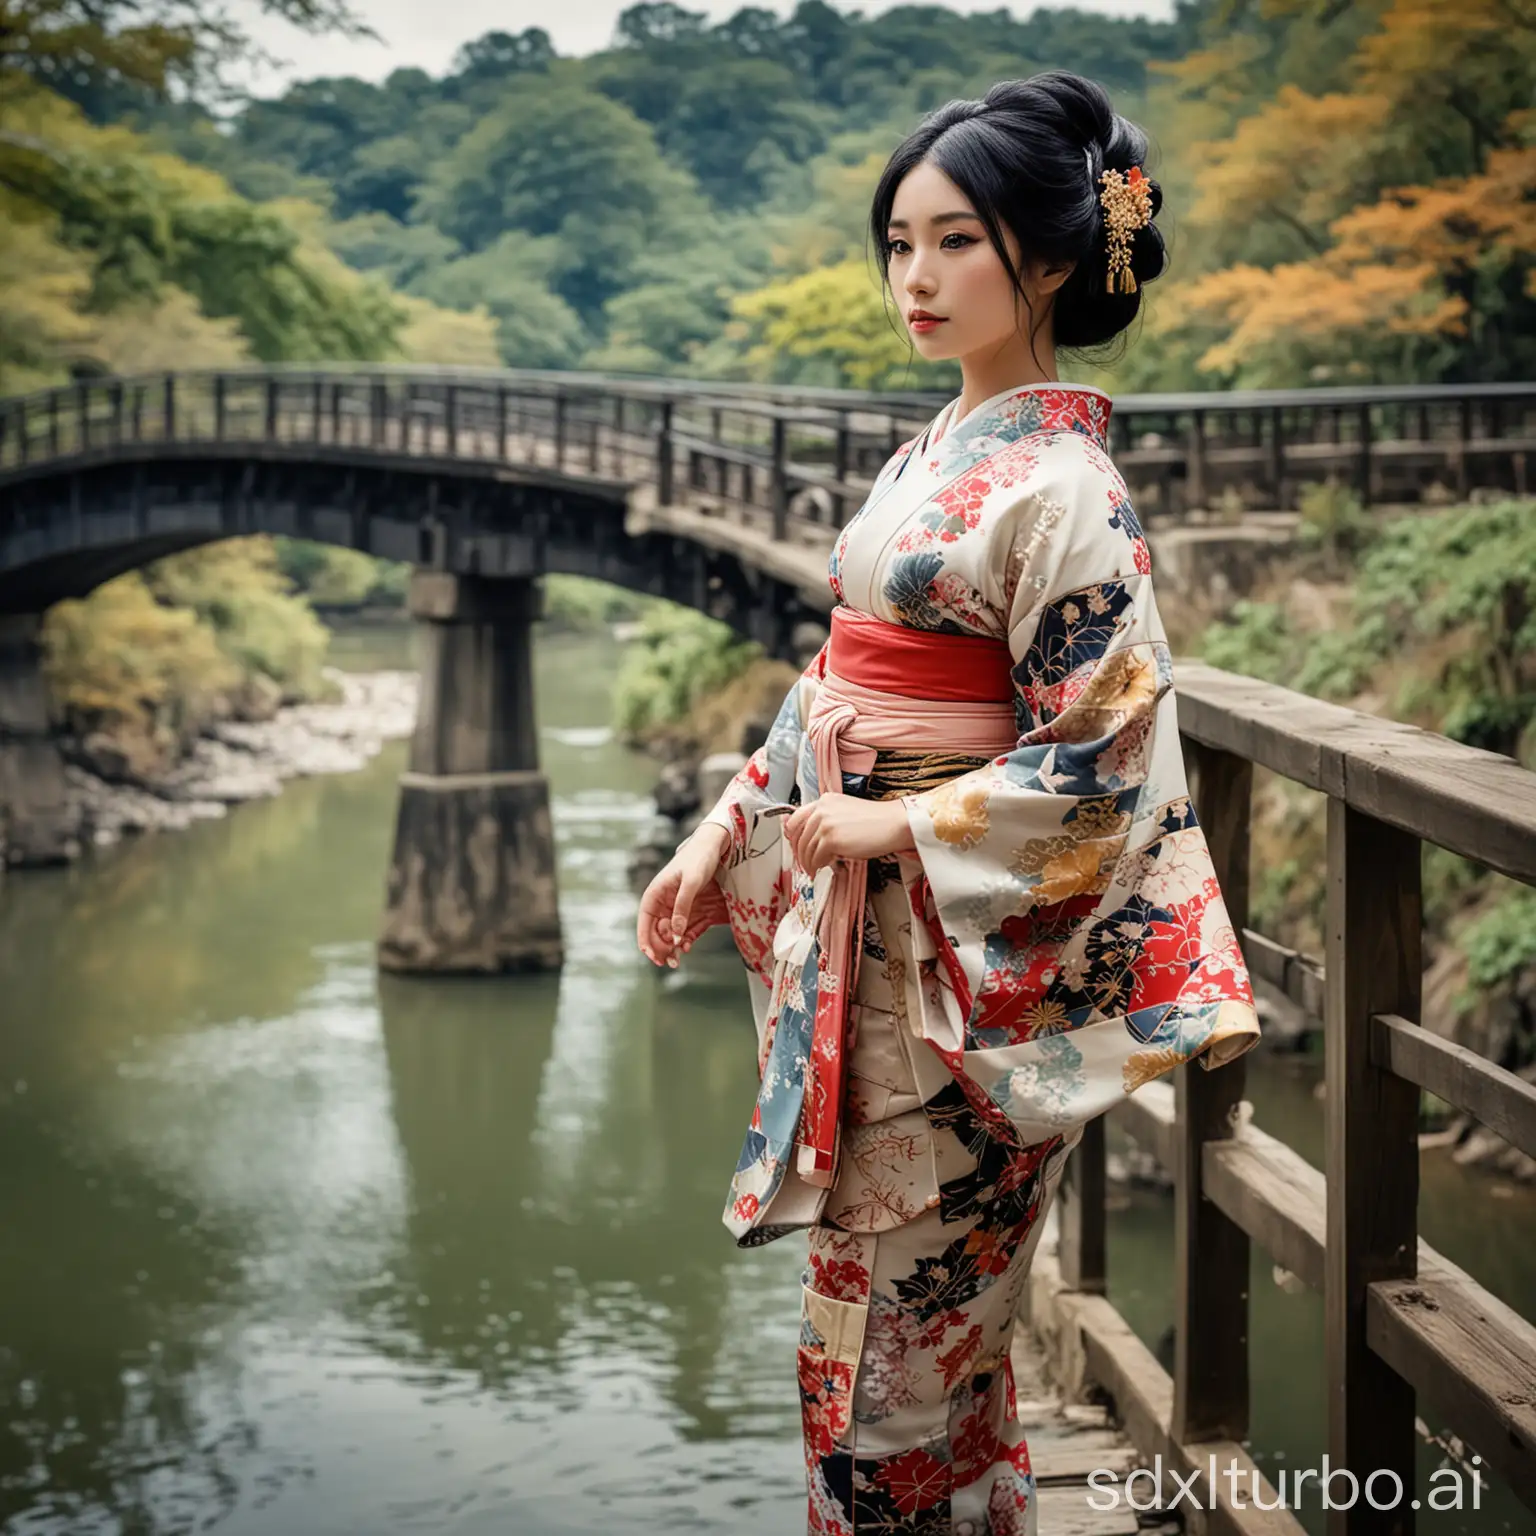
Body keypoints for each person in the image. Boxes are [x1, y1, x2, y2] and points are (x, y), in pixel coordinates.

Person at [636, 70, 1261, 1536]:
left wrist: (900, 824)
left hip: (951, 982)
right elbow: (834, 682)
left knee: (883, 1383)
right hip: (875, 960)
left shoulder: (1066, 489)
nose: (914, 277)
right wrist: (730, 819)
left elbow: (1100, 757)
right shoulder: (932, 452)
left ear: (1048, 261)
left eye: (955, 242)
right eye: (898, 242)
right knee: (929, 1361)